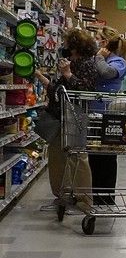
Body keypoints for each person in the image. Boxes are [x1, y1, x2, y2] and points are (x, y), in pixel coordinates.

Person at [47, 28, 101, 212]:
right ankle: (62, 193)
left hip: (76, 115)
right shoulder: (70, 61)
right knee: (57, 155)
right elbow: (60, 89)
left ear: (76, 46)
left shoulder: (88, 64)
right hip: (58, 114)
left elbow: (87, 91)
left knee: (78, 156)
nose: (65, 47)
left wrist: (68, 74)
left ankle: (85, 199)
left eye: (68, 44)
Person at [87, 29, 126, 206]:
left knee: (107, 158)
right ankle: (95, 194)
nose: (95, 41)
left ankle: (106, 197)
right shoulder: (100, 59)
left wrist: (99, 57)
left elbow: (107, 73)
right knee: (94, 156)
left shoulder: (119, 62)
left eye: (98, 39)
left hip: (110, 117)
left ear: (105, 43)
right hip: (94, 114)